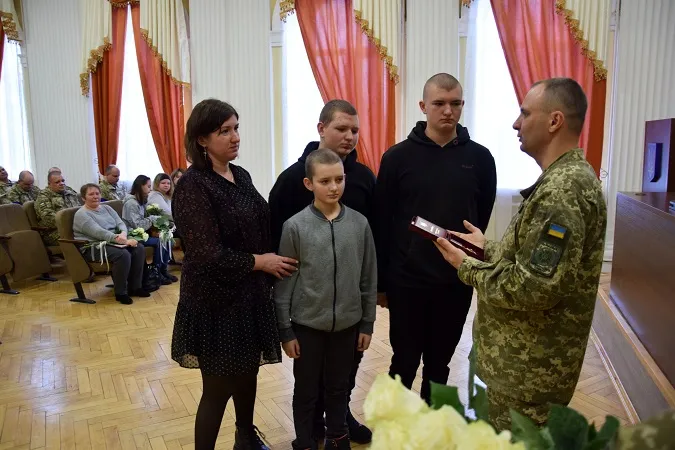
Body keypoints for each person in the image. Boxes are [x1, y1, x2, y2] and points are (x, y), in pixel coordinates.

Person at [433, 78, 607, 431]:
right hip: (519, 366)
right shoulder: (567, 178)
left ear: (554, 121)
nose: (516, 123)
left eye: (525, 113)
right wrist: (487, 248)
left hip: (525, 374)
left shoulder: (561, 192)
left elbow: (532, 287)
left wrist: (466, 266)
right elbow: (532, 258)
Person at [171, 99, 295, 450]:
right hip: (215, 302)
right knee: (217, 388)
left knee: (247, 373)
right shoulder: (193, 185)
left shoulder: (240, 175)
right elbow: (206, 254)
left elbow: (262, 224)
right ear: (202, 140)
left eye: (236, 127)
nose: (235, 137)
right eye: (224, 131)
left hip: (249, 296)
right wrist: (261, 262)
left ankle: (245, 436)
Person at [374, 73, 497, 403]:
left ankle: (431, 426)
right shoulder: (397, 158)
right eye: (439, 104)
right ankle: (395, 426)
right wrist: (382, 283)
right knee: (404, 361)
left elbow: (479, 217)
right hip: (407, 281)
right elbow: (383, 222)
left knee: (439, 364)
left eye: (455, 103)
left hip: (455, 280)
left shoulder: (481, 158)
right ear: (423, 106)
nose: (448, 111)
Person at [268, 99, 375, 443]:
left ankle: (339, 427)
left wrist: (367, 319)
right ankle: (308, 435)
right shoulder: (290, 189)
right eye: (341, 128)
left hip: (347, 317)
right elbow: (283, 260)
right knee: (308, 387)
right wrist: (285, 326)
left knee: (340, 382)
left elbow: (367, 269)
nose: (349, 136)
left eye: (354, 130)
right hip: (308, 317)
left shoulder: (362, 190)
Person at [73, 183, 150, 305]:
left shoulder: (106, 208)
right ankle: (121, 292)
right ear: (83, 198)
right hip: (94, 246)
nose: (95, 196)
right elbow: (99, 233)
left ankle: (136, 287)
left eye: (97, 193)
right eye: (91, 194)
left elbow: (120, 223)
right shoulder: (81, 214)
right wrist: (123, 240)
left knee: (138, 248)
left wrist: (123, 234)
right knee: (123, 254)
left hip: (114, 240)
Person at [122, 175, 176, 285]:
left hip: (143, 233)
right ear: (140, 186)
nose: (150, 189)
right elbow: (137, 225)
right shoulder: (131, 203)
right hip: (132, 235)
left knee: (166, 238)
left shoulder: (142, 201)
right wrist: (152, 219)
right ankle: (156, 272)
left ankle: (163, 270)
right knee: (161, 241)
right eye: (148, 186)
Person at [35, 170, 83, 246]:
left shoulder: (70, 193)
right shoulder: (44, 196)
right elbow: (48, 218)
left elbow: (81, 210)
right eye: (57, 182)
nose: (62, 183)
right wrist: (73, 223)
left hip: (75, 227)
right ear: (49, 184)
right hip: (54, 232)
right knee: (83, 236)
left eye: (63, 181)